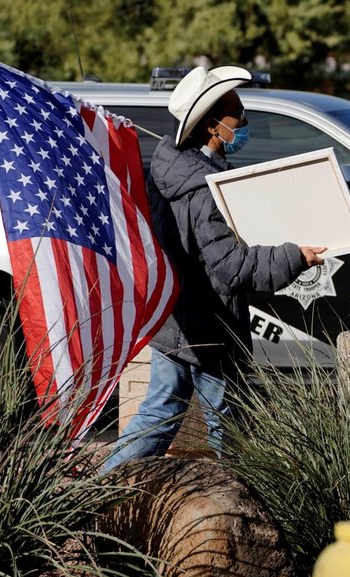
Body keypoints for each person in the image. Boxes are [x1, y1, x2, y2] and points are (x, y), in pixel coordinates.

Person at [102, 65, 326, 473]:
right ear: (212, 126)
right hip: (208, 327)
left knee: (162, 413)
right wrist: (295, 255)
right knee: (228, 429)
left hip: (181, 321)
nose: (244, 121)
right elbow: (231, 267)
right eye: (237, 113)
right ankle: (252, 511)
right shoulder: (204, 189)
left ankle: (93, 495)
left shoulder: (172, 169)